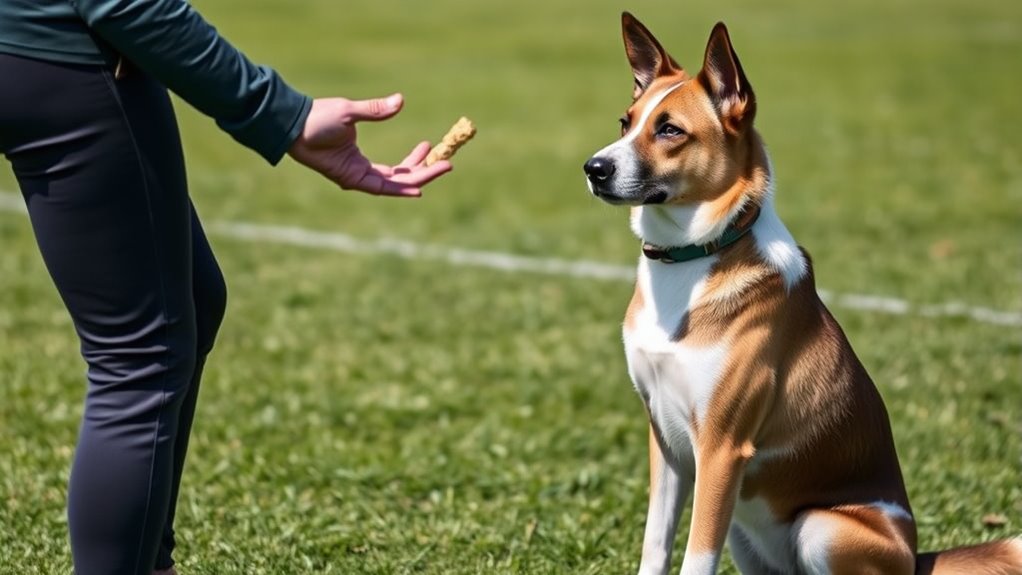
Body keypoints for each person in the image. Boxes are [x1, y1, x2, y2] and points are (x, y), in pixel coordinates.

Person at [0, 1, 452, 573]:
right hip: (58, 57)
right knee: (142, 354)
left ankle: (148, 557)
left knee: (193, 295)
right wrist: (281, 113)